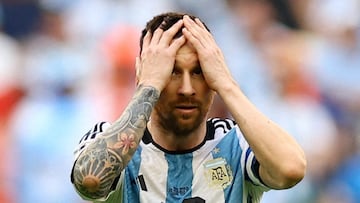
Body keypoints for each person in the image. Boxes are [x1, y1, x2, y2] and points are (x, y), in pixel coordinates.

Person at [70, 12, 306, 203]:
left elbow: (291, 170)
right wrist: (149, 85)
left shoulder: (238, 144)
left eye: (198, 72)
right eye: (171, 71)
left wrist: (226, 84)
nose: (186, 88)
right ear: (145, 71)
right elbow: (91, 181)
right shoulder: (110, 140)